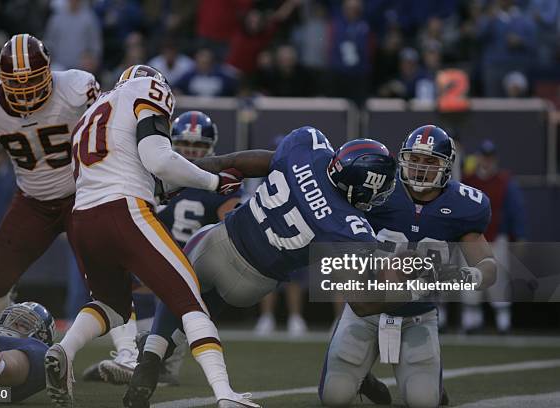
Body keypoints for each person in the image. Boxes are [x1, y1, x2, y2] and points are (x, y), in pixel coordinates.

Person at [128, 127, 398, 406]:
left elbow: (249, 162)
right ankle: (358, 373)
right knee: (204, 308)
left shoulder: (307, 147)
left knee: (183, 294)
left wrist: (208, 166)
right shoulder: (349, 226)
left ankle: (151, 357)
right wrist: (409, 288)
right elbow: (362, 303)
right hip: (253, 285)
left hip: (218, 244)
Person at [47, 64, 258, 408]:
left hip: (83, 218)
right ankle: (225, 393)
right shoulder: (147, 90)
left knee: (110, 305)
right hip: (123, 210)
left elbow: (131, 167)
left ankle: (64, 350)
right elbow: (158, 159)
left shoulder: (92, 114)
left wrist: (161, 189)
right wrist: (214, 182)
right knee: (189, 299)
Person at [319, 125, 497, 408]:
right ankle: (363, 378)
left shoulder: (465, 206)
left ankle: (433, 389)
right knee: (334, 397)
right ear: (402, 159)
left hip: (418, 316)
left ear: (447, 166)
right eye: (414, 159)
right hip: (366, 309)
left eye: (430, 162)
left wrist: (466, 276)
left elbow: (488, 265)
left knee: (423, 401)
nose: (420, 169)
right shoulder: (377, 188)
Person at [0, 33, 99, 326]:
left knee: (106, 272)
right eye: (16, 82)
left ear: (48, 72)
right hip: (34, 201)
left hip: (83, 193)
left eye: (32, 79)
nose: (25, 89)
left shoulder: (76, 89)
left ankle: (127, 353)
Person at [85, 111, 242, 386]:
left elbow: (232, 226)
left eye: (199, 148)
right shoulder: (188, 178)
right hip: (166, 260)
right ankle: (138, 355)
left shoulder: (159, 175)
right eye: (186, 146)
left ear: (211, 148)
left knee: (167, 304)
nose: (192, 153)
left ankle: (146, 359)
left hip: (189, 263)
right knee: (127, 289)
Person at [461, 139, 525, 334]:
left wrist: (520, 235)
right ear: (479, 157)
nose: (486, 161)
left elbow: (516, 210)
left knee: (499, 279)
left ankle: (503, 321)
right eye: (484, 156)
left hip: (497, 237)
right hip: (471, 239)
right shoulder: (468, 180)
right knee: (470, 279)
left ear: (494, 159)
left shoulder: (505, 181)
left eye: (490, 157)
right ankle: (471, 320)